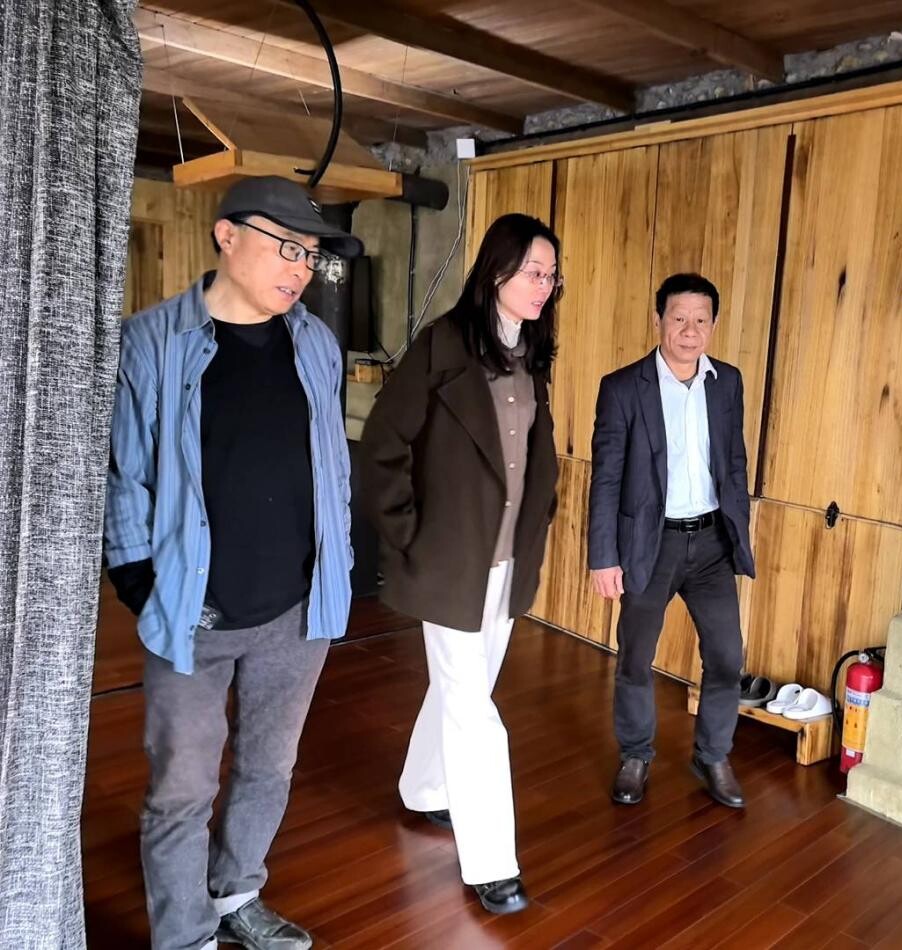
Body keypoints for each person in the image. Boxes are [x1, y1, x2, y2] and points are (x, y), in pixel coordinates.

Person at [104, 176, 359, 950]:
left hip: (297, 610)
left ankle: (235, 894)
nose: (300, 268)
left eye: (310, 255)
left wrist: (339, 560)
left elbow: (332, 467)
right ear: (226, 235)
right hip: (192, 610)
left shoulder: (315, 343)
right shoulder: (151, 341)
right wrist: (140, 580)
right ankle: (184, 937)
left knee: (268, 768)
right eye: (287, 247)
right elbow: (124, 473)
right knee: (181, 788)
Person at [358, 213, 561, 915]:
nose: (544, 285)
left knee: (462, 688)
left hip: (505, 559)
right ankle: (492, 863)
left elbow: (532, 455)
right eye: (534, 271)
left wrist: (542, 513)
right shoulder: (441, 346)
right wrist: (408, 535)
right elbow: (382, 446)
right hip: (449, 560)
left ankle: (423, 788)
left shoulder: (530, 351)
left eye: (551, 275)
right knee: (475, 710)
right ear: (497, 270)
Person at [588, 272, 756, 810]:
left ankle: (713, 755)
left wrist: (737, 529)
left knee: (726, 657)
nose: (690, 330)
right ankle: (636, 754)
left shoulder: (727, 383)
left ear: (714, 324)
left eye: (701, 320)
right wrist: (604, 557)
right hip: (649, 543)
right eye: (679, 318)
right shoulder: (623, 387)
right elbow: (606, 477)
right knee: (636, 657)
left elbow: (734, 462)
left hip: (710, 544)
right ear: (659, 319)